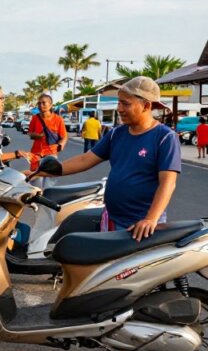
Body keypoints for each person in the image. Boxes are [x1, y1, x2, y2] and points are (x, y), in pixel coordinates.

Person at [40, 76, 180, 241]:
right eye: (118, 102)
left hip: (140, 226)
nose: (119, 109)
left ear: (146, 106)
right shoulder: (116, 134)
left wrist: (150, 219)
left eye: (125, 104)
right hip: (112, 219)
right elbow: (86, 159)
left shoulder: (165, 137)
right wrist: (43, 171)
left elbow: (168, 183)